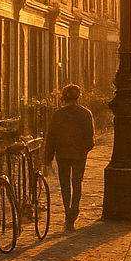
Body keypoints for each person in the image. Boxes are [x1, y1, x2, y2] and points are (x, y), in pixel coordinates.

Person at [43, 84, 95, 229]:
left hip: (63, 154)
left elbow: (51, 137)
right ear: (78, 97)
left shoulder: (59, 114)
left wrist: (48, 156)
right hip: (79, 154)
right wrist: (84, 149)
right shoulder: (86, 113)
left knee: (65, 184)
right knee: (77, 183)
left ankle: (68, 213)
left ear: (63, 98)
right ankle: (74, 210)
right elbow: (90, 139)